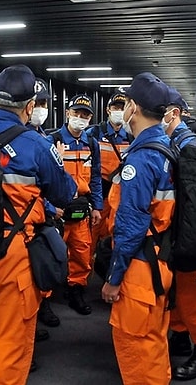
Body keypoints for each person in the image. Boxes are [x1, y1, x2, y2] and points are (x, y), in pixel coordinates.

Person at [0, 64, 77, 385]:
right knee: (11, 345)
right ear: (29, 107)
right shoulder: (36, 145)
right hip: (12, 258)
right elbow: (65, 194)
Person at [101, 72, 175, 384]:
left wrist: (113, 279)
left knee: (135, 347)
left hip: (140, 269)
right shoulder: (166, 148)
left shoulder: (141, 160)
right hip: (160, 260)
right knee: (154, 343)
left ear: (134, 107)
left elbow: (130, 226)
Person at [161, 86, 196, 381]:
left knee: (195, 299)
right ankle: (181, 338)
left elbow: (194, 204)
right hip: (182, 235)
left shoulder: (188, 149)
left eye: (161, 111)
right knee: (179, 294)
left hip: (191, 239)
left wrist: (192, 247)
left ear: (174, 114)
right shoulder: (178, 143)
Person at [48, 94, 103, 315]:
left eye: (85, 115)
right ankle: (44, 301)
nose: (80, 118)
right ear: (67, 113)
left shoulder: (91, 143)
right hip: (58, 210)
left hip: (82, 208)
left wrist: (97, 206)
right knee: (51, 253)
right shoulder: (52, 141)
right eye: (76, 113)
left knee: (82, 252)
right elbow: (44, 178)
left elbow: (96, 177)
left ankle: (76, 290)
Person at [27, 77, 61, 331]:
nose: (40, 108)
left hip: (40, 219)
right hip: (24, 224)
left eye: (44, 103)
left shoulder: (44, 138)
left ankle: (43, 308)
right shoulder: (30, 142)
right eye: (36, 103)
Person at [85, 88, 133, 266]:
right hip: (99, 195)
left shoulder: (130, 137)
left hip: (119, 197)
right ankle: (82, 280)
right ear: (108, 109)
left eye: (122, 107)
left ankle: (107, 275)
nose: (119, 111)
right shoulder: (94, 134)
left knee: (112, 237)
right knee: (89, 239)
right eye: (115, 107)